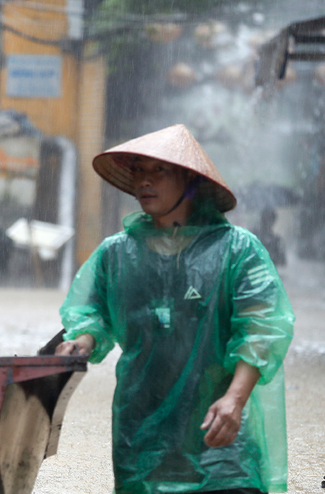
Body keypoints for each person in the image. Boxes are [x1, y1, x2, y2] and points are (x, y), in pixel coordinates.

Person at [55, 124, 294, 494]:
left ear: (190, 180)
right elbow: (91, 313)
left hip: (219, 424)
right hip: (142, 429)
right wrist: (81, 342)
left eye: (158, 171)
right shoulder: (116, 253)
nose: (144, 182)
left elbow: (263, 328)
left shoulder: (237, 250)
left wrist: (235, 398)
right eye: (138, 170)